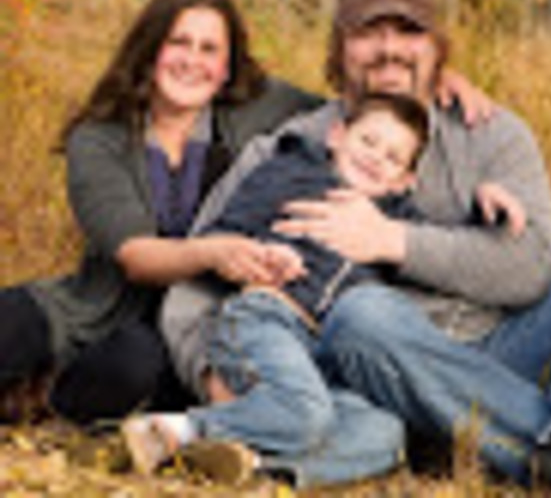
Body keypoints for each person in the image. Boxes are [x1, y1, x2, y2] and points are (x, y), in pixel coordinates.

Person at [161, 0, 551, 490]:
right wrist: (216, 377)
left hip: (500, 352)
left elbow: (535, 270)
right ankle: (528, 448)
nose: (389, 48)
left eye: (409, 30)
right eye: (367, 31)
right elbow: (193, 283)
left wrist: (394, 241)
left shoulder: (493, 135)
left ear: (437, 47)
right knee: (362, 313)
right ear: (339, 49)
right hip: (371, 368)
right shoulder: (291, 152)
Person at [123, 91, 528, 484]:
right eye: (368, 141)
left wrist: (482, 210)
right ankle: (178, 430)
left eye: (393, 158)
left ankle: (254, 466)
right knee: (305, 411)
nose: (376, 157)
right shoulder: (291, 172)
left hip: (325, 354)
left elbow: (438, 244)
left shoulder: (392, 219)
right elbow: (226, 235)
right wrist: (263, 255)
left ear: (403, 181)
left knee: (384, 433)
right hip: (266, 319)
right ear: (337, 135)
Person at [0, 0, 326, 426]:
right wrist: (213, 252)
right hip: (94, 307)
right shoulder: (99, 138)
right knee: (11, 319)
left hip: (180, 328)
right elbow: (136, 257)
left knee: (131, 364)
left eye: (209, 49)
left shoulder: (261, 111)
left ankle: (45, 400)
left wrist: (421, 73)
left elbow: (353, 111)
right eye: (179, 42)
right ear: (151, 49)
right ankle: (28, 379)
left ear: (227, 68)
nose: (192, 61)